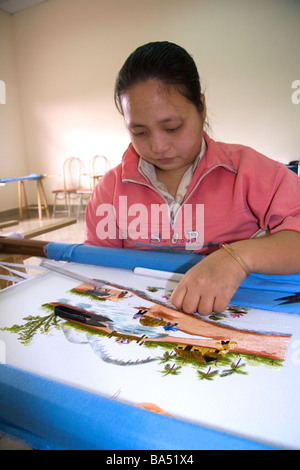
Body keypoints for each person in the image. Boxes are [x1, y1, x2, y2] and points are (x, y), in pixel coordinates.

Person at [84, 41, 300, 316]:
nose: (158, 146)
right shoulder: (110, 190)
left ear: (202, 107)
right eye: (139, 132)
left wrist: (238, 257)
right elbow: (93, 268)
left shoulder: (248, 171)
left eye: (172, 127)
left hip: (239, 316)